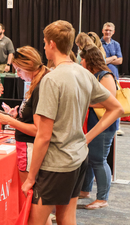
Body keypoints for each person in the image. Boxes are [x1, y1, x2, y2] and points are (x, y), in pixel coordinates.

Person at [21, 20, 123, 225]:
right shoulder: (83, 73)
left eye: (43, 42)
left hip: (57, 164)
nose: (43, 46)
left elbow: (44, 135)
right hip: (78, 158)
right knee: (66, 217)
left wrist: (30, 178)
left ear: (51, 44)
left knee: (35, 221)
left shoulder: (52, 79)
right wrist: (87, 138)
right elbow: (116, 108)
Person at [0, 46, 53, 225]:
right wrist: (17, 115)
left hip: (29, 149)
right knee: (38, 205)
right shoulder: (37, 82)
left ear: (29, 65)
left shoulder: (41, 86)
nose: (18, 74)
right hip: (28, 148)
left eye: (20, 70)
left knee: (32, 202)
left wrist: (10, 121)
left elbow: (39, 130)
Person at [79, 45, 117, 209]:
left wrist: (86, 103)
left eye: (83, 59)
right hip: (95, 123)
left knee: (99, 160)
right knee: (90, 159)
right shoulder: (95, 75)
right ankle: (86, 190)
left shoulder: (105, 76)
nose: (81, 62)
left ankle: (102, 198)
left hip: (104, 124)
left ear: (90, 60)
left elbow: (110, 102)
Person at [101, 22, 124, 136]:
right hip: (102, 78)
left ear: (113, 32)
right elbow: (100, 61)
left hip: (115, 77)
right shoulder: (99, 44)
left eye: (110, 30)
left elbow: (120, 61)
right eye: (106, 30)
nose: (108, 32)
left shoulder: (116, 44)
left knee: (116, 102)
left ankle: (117, 127)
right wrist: (113, 57)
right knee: (103, 101)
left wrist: (108, 59)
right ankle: (104, 124)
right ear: (102, 31)